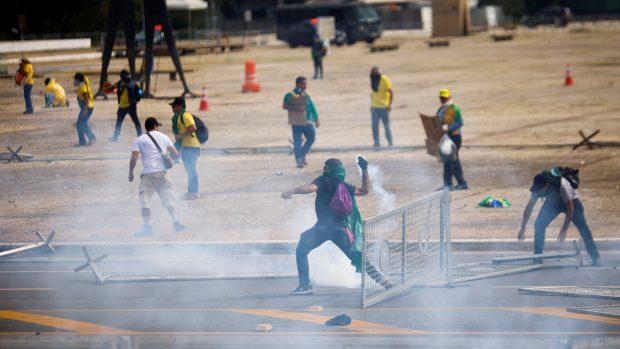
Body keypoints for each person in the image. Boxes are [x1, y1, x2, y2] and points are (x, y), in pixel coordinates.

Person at [281, 157, 393, 295]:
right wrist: (364, 169)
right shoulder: (343, 185)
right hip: (340, 230)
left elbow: (310, 188)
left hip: (322, 229)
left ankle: (305, 286)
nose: (323, 169)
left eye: (326, 167)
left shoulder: (323, 181)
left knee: (301, 250)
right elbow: (365, 190)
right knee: (358, 257)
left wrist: (290, 191)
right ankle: (383, 282)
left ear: (331, 169)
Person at [517, 170, 601, 266]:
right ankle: (537, 258)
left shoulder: (562, 185)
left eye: (540, 189)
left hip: (571, 202)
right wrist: (523, 227)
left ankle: (595, 257)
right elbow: (529, 207)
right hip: (552, 203)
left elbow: (570, 208)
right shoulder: (537, 190)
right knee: (539, 225)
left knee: (583, 227)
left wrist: (564, 229)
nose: (538, 191)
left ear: (547, 185)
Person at [130, 117, 185, 237]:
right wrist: (169, 159)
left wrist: (131, 172)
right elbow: (175, 154)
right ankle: (176, 222)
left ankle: (147, 228)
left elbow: (134, 158)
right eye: (157, 126)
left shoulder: (139, 139)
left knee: (144, 202)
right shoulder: (164, 137)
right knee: (169, 200)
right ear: (155, 126)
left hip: (148, 175)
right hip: (163, 173)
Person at [282, 76, 319, 168]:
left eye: (306, 83)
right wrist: (297, 108)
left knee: (312, 137)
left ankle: (301, 156)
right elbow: (284, 106)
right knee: (297, 141)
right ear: (297, 84)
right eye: (303, 83)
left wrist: (316, 118)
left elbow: (311, 107)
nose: (305, 85)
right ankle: (299, 160)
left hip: (307, 121)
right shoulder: (289, 95)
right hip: (296, 121)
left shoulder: (306, 95)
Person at [436, 88, 468, 190]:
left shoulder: (455, 108)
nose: (443, 99)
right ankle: (452, 183)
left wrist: (449, 128)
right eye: (441, 97)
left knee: (451, 160)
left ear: (449, 97)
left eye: (444, 97)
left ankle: (453, 183)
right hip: (445, 138)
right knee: (449, 160)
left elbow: (460, 122)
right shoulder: (441, 109)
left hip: (455, 137)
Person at [170, 97, 201, 200]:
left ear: (179, 106)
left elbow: (193, 128)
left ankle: (193, 192)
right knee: (189, 169)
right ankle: (191, 191)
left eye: (173, 105)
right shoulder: (179, 117)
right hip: (188, 146)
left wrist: (181, 135)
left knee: (191, 169)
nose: (172, 108)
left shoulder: (185, 115)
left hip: (191, 146)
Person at [109, 69, 143, 142]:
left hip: (131, 106)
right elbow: (113, 87)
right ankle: (115, 137)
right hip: (122, 107)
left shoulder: (133, 83)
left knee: (136, 122)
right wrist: (110, 87)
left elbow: (140, 92)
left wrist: (137, 99)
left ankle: (140, 137)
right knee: (119, 123)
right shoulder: (120, 83)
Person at [369, 67, 393, 147]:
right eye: (373, 73)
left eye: (377, 73)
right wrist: (372, 105)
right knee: (374, 126)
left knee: (386, 126)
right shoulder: (373, 80)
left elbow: (391, 92)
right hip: (374, 107)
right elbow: (373, 93)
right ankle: (377, 142)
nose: (375, 75)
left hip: (384, 107)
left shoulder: (384, 79)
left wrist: (390, 104)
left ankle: (390, 142)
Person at [73, 72, 96, 147]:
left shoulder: (82, 86)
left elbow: (86, 98)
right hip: (88, 107)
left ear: (78, 79)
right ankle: (85, 140)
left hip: (87, 107)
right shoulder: (82, 85)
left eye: (75, 79)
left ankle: (90, 138)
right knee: (81, 124)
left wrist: (85, 109)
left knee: (80, 124)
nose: (74, 81)